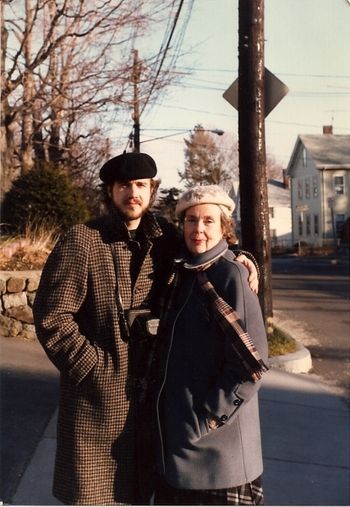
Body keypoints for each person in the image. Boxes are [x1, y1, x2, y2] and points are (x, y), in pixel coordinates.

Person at [33, 153, 259, 505]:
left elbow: (210, 247)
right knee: (95, 498)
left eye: (140, 186)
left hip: (152, 413)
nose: (132, 194)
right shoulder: (82, 241)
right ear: (110, 191)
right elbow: (52, 319)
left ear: (152, 190)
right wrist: (97, 368)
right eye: (124, 186)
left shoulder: (167, 239)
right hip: (96, 412)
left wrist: (244, 257)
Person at [153, 185, 269, 506]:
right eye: (191, 220)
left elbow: (251, 365)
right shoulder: (182, 273)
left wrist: (210, 417)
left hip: (220, 458)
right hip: (180, 452)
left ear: (224, 228)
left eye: (208, 221)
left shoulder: (230, 276)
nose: (198, 229)